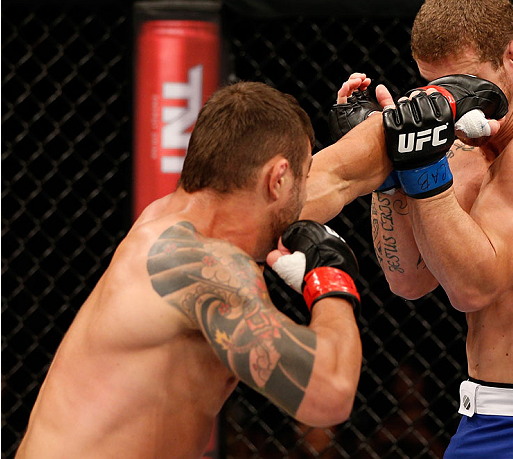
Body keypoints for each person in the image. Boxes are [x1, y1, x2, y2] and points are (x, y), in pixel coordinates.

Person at [302, 0, 513, 458]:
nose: (454, 97)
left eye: (469, 81)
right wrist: (391, 177)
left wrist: (421, 165)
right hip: (480, 418)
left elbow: (474, 286)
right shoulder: (462, 150)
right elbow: (408, 279)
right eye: (436, 85)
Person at [16, 81, 364, 458]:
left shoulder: (167, 221)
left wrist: (384, 129)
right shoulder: (200, 265)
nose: (303, 193)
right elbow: (329, 393)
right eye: (302, 174)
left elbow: (336, 178)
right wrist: (332, 277)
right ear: (277, 178)